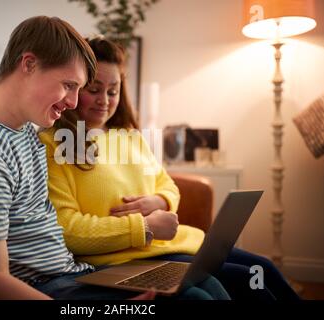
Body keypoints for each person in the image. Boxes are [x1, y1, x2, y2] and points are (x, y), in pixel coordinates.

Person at [0, 16, 229, 300]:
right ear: (29, 64)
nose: (73, 102)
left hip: (73, 274)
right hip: (49, 288)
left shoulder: (20, 131)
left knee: (203, 283)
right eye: (69, 85)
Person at [39, 36, 299, 300]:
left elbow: (167, 185)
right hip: (125, 258)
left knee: (263, 268)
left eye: (113, 91)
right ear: (73, 88)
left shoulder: (128, 137)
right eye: (94, 90)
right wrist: (143, 226)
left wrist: (160, 200)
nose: (104, 100)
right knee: (244, 279)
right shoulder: (54, 144)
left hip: (176, 243)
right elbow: (67, 228)